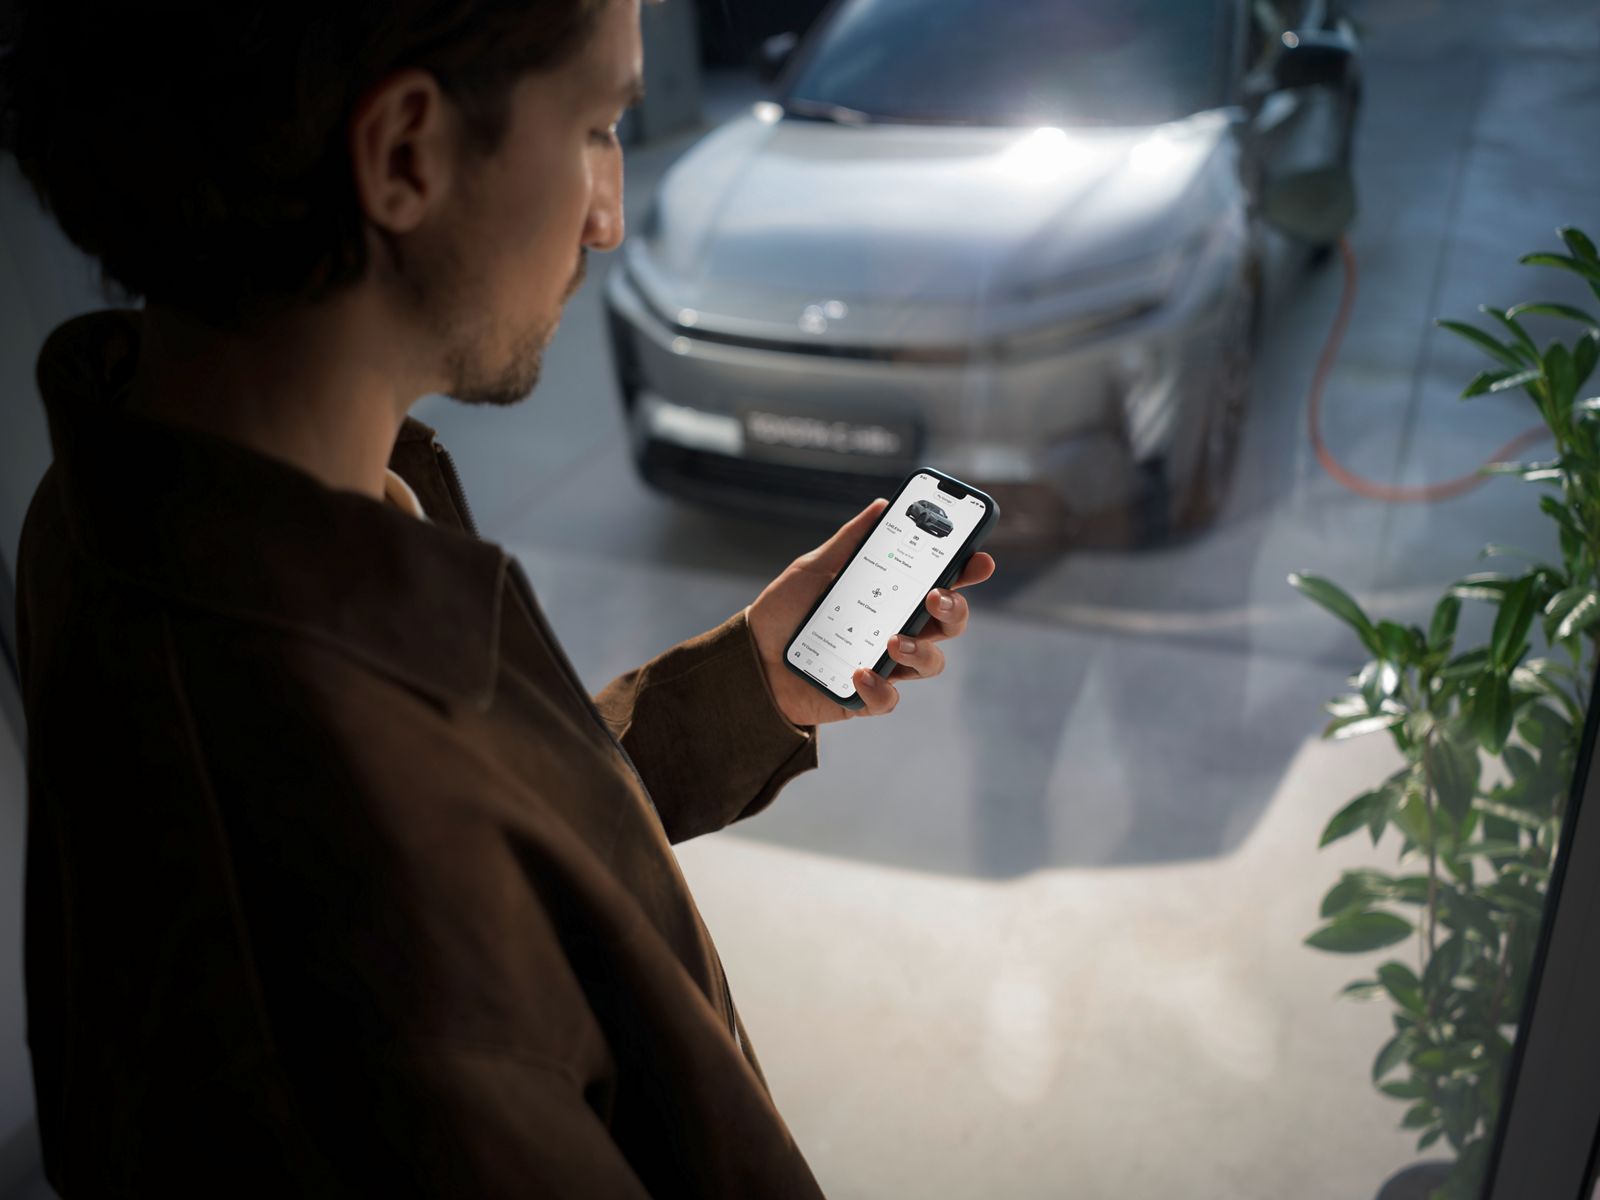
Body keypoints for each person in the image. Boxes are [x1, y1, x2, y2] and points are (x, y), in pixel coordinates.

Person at [3, 0, 995, 1194]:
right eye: (596, 126)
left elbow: (510, 863)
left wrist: (746, 687)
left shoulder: (131, 488)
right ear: (406, 153)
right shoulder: (342, 892)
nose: (611, 215)